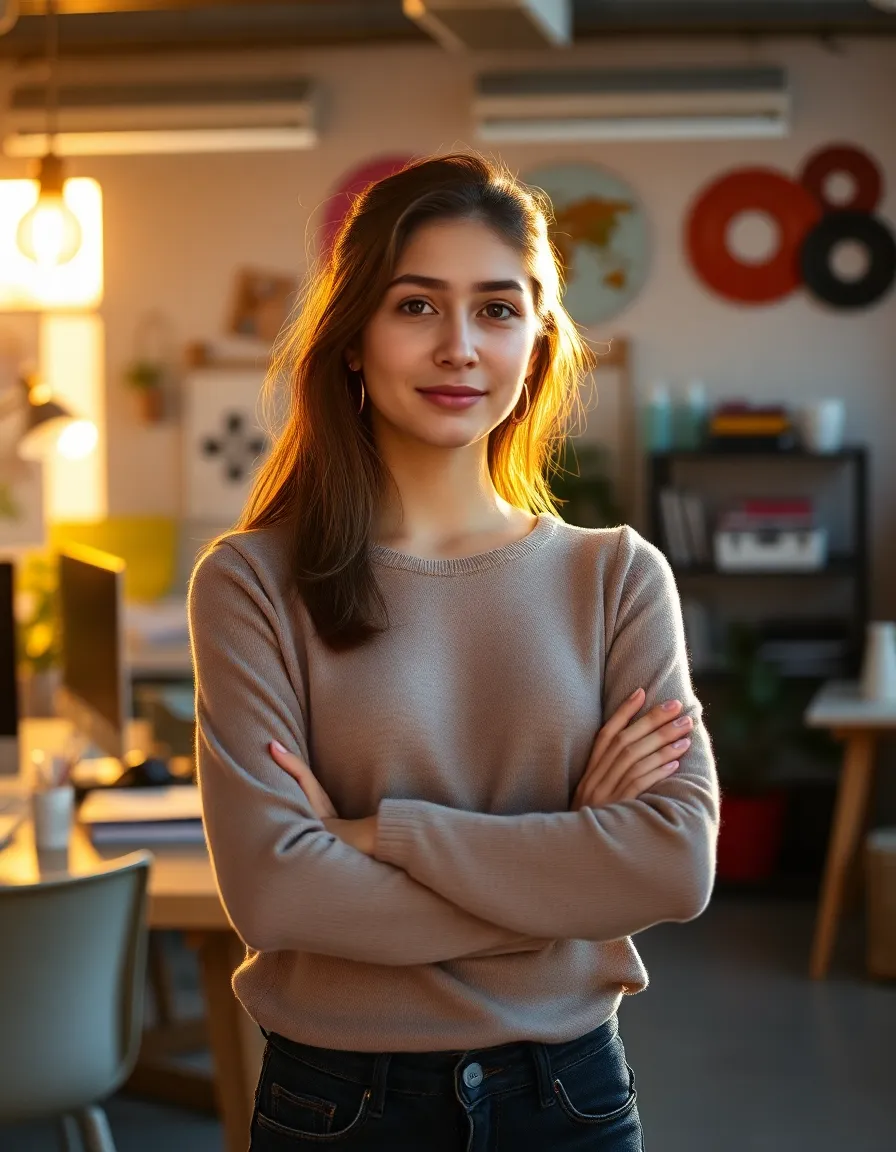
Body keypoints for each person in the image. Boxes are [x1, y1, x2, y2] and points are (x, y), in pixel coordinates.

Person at [188, 152, 720, 1151]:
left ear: (536, 340)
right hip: (338, 1106)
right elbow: (275, 891)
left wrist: (375, 837)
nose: (459, 347)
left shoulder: (614, 577)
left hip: (568, 1097)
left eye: (496, 309)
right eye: (416, 307)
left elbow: (670, 866)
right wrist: (565, 883)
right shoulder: (251, 583)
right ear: (352, 340)